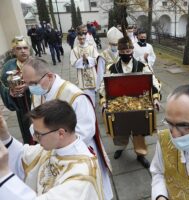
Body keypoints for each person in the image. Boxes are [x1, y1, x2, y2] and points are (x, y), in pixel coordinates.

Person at [21, 58, 113, 200]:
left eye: (33, 83)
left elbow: (86, 131)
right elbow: (35, 121)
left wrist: (54, 142)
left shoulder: (74, 95)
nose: (30, 88)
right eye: (27, 83)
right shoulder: (39, 92)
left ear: (50, 76)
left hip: (76, 154)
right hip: (51, 148)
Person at [0, 100, 104, 199]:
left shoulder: (82, 175)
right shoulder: (55, 146)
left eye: (38, 134)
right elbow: (23, 156)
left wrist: (4, 174)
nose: (34, 138)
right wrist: (5, 136)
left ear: (61, 133)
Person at [99, 35, 161, 168]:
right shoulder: (112, 68)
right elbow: (104, 85)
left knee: (139, 130)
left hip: (139, 103)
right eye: (123, 52)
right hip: (119, 104)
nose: (126, 54)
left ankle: (140, 154)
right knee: (120, 129)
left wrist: (155, 98)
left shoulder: (142, 66)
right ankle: (121, 147)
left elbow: (153, 81)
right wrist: (104, 101)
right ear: (119, 52)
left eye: (129, 51)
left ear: (132, 51)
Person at [0, 36, 33, 144]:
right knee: (27, 129)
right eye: (19, 48)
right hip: (21, 106)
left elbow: (47, 81)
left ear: (29, 49)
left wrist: (28, 85)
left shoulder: (37, 63)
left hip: (38, 103)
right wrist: (10, 92)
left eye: (25, 48)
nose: (23, 51)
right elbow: (3, 85)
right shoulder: (8, 67)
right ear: (14, 51)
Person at [70, 32, 99, 106]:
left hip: (91, 75)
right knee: (84, 95)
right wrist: (82, 60)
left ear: (85, 38)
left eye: (83, 38)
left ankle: (93, 106)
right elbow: (73, 63)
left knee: (92, 95)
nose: (82, 40)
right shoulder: (74, 50)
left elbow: (97, 59)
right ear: (77, 39)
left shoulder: (91, 48)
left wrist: (88, 59)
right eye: (80, 39)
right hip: (81, 76)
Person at [97, 27, 123, 91]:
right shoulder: (103, 55)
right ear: (109, 43)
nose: (115, 46)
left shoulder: (122, 53)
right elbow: (100, 72)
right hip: (108, 82)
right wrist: (100, 87)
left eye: (116, 44)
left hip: (121, 81)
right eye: (113, 44)